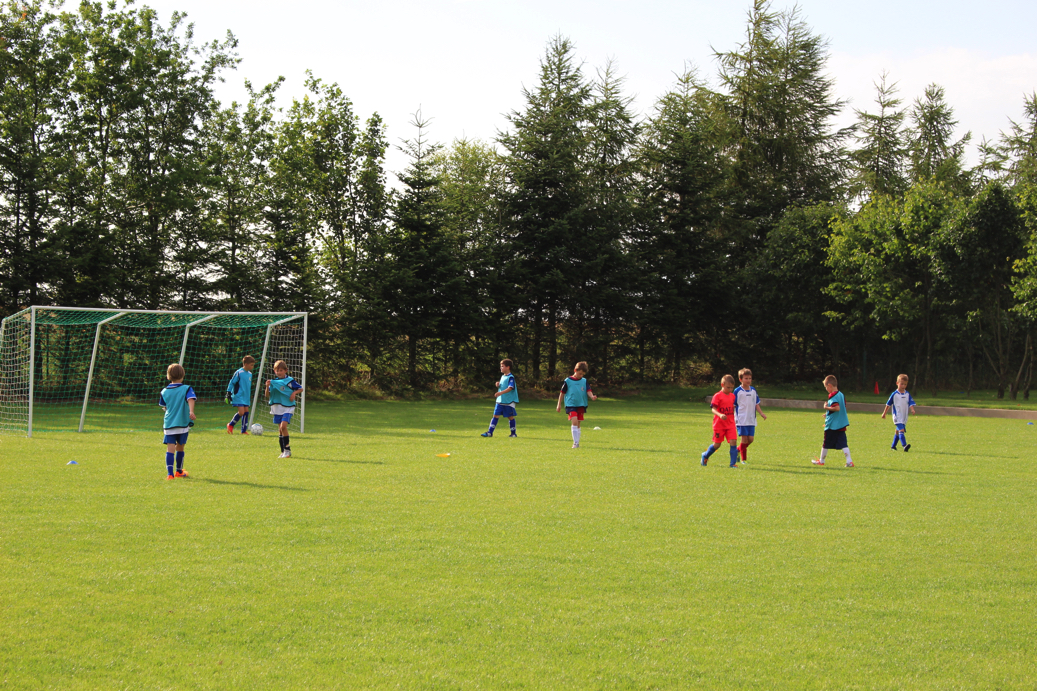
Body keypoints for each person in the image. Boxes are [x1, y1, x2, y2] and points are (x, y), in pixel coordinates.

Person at [159, 363, 196, 480]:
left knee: (170, 448)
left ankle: (170, 474)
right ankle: (179, 471)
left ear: (168, 376)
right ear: (183, 375)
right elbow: (191, 399)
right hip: (182, 423)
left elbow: (165, 406)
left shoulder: (164, 391)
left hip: (169, 423)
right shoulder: (187, 388)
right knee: (180, 447)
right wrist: (191, 411)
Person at [812, 375, 854, 468]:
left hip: (832, 425)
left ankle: (821, 461)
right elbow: (841, 408)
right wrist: (828, 413)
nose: (826, 389)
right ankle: (849, 461)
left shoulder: (833, 396)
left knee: (826, 443)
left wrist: (826, 407)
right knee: (843, 443)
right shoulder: (841, 394)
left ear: (830, 385)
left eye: (826, 387)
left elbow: (837, 408)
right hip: (841, 424)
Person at [266, 360, 303, 458]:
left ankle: (287, 449)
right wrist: (267, 387)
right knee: (280, 430)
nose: (279, 372)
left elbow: (301, 388)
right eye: (277, 370)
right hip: (277, 407)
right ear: (274, 371)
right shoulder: (273, 382)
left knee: (283, 427)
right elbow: (267, 395)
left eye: (281, 370)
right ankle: (283, 451)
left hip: (288, 407)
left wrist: (294, 393)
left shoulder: (289, 381)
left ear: (286, 370)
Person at [701, 374, 740, 468]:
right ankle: (705, 455)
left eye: (732, 388)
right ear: (722, 385)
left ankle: (732, 464)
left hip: (730, 424)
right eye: (728, 387)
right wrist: (720, 415)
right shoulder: (717, 396)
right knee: (717, 445)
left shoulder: (732, 396)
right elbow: (713, 409)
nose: (730, 389)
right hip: (719, 425)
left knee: (733, 441)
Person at [556, 361, 597, 448]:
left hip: (581, 404)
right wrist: (559, 404)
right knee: (574, 421)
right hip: (571, 404)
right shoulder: (568, 381)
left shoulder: (584, 381)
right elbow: (562, 393)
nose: (581, 375)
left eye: (582, 374)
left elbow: (588, 390)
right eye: (580, 373)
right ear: (575, 370)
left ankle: (577, 443)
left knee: (578, 423)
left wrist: (592, 396)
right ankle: (575, 443)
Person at [733, 368, 767, 463]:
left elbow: (756, 403)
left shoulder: (753, 390)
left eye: (750, 378)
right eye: (746, 378)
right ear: (740, 379)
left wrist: (761, 413)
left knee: (750, 439)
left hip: (751, 419)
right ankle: (743, 460)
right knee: (744, 439)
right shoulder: (737, 391)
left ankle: (737, 450)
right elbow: (733, 405)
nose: (748, 380)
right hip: (741, 419)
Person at [482, 359, 518, 438]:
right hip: (500, 401)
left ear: (508, 367)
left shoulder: (511, 377)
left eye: (502, 366)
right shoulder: (503, 376)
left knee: (510, 417)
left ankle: (513, 433)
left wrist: (500, 393)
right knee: (495, 416)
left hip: (508, 402)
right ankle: (489, 432)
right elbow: (503, 386)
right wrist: (498, 385)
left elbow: (510, 388)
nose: (500, 368)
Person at [882, 374, 917, 451]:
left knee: (898, 431)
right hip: (897, 416)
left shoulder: (907, 394)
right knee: (901, 430)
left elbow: (910, 403)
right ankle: (904, 446)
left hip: (904, 416)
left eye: (905, 384)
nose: (903, 386)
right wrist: (884, 413)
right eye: (902, 384)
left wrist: (912, 409)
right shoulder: (894, 394)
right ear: (897, 383)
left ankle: (893, 446)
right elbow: (888, 404)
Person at [225, 355, 256, 435]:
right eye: (251, 365)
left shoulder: (250, 374)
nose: (252, 367)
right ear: (245, 364)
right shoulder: (239, 372)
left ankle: (243, 431)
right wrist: (228, 392)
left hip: (246, 397)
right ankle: (230, 425)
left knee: (246, 412)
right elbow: (232, 382)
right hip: (238, 395)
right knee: (241, 412)